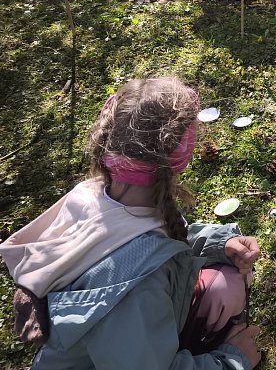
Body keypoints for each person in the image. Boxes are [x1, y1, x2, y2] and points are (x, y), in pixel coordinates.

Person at [0, 78, 262, 369]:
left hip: (127, 341)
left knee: (223, 284)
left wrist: (218, 243)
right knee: (228, 286)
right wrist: (232, 360)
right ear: (182, 156)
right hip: (127, 351)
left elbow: (158, 238)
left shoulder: (93, 194)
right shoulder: (138, 287)